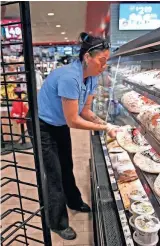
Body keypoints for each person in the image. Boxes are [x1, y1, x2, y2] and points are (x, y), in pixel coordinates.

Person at [27, 32, 120, 240]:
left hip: (58, 123)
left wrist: (106, 124)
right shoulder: (70, 77)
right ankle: (57, 222)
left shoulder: (92, 78)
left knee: (67, 165)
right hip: (42, 124)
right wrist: (104, 129)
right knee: (54, 174)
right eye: (102, 61)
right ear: (87, 57)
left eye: (107, 61)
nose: (104, 66)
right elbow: (73, 121)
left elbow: (85, 111)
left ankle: (74, 201)